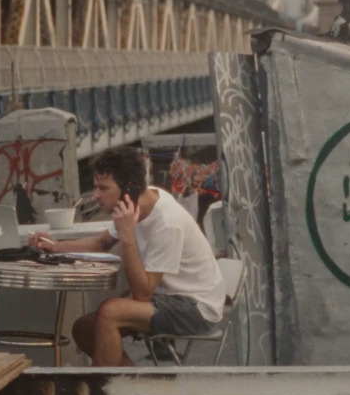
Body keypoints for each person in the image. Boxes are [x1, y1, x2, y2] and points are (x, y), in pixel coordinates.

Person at [28, 146, 224, 366]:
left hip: (195, 306)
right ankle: (133, 385)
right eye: (95, 187)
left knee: (110, 312)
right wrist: (56, 246)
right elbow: (101, 243)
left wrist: (128, 237)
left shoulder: (167, 223)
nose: (95, 195)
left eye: (103, 188)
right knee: (83, 329)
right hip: (166, 297)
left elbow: (142, 293)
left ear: (128, 188)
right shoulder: (136, 201)